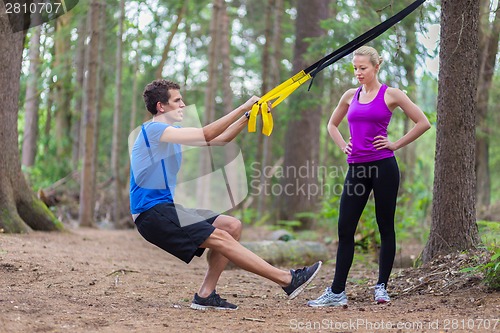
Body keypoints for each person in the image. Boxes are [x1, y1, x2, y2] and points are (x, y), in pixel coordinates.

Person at [130, 79, 322, 310]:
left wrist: (249, 115)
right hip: (151, 213)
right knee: (219, 237)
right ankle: (287, 280)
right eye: (177, 100)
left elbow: (219, 139)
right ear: (161, 107)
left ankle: (205, 295)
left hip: (165, 208)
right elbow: (206, 132)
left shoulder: (171, 134)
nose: (183, 105)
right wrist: (242, 106)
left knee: (231, 226)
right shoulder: (153, 130)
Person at [307, 46, 431, 307]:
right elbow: (331, 124)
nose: (358, 73)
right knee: (345, 228)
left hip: (384, 167)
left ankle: (382, 287)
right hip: (357, 169)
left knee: (385, 226)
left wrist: (395, 144)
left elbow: (423, 122)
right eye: (355, 68)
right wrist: (343, 145)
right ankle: (337, 291)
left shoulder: (392, 94)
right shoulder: (350, 96)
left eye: (363, 68)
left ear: (376, 67)